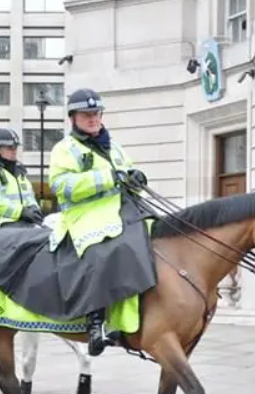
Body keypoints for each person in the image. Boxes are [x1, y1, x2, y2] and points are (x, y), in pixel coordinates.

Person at [48, 88, 149, 357]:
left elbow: (126, 171)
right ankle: (95, 324)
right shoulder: (64, 149)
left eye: (96, 113)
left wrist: (136, 179)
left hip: (120, 208)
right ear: (73, 118)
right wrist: (109, 178)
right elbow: (62, 186)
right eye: (86, 114)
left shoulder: (114, 146)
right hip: (84, 215)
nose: (93, 119)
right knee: (100, 251)